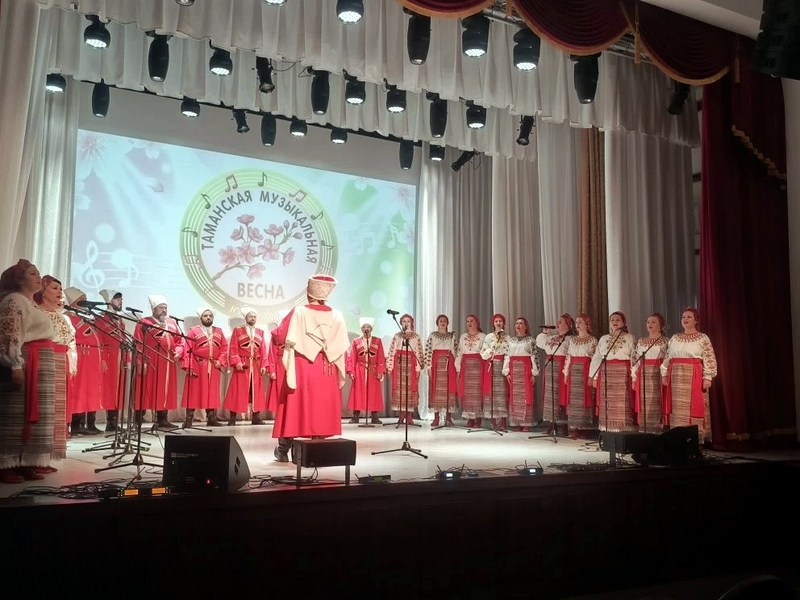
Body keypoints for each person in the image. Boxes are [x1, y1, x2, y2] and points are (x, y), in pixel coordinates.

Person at [271, 275, 350, 462]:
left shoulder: (299, 312)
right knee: (321, 407)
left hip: (303, 366)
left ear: (309, 293)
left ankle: (283, 450)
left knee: (294, 405)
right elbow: (342, 345)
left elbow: (280, 335)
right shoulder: (337, 315)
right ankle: (317, 451)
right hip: (327, 368)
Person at [0, 260, 58, 484]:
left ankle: (24, 462)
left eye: (38, 273)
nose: (38, 277)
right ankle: (5, 463)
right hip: (26, 360)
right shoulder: (14, 300)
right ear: (19, 279)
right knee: (15, 413)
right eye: (33, 273)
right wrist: (15, 364)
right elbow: (10, 334)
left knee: (33, 414)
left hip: (40, 362)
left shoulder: (30, 302)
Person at [661, 307, 717, 445]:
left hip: (694, 375)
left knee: (694, 407)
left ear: (696, 320)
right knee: (678, 409)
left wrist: (708, 377)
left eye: (689, 317)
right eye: (683, 317)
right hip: (676, 377)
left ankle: (695, 441)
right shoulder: (675, 338)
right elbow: (668, 357)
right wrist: (664, 373)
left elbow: (709, 357)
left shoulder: (702, 337)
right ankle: (678, 439)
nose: (685, 319)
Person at [34, 276, 77, 460]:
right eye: (54, 288)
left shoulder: (64, 317)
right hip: (45, 359)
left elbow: (70, 342)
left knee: (59, 407)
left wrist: (72, 362)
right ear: (43, 291)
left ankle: (52, 453)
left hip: (61, 360)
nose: (59, 292)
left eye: (60, 288)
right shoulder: (37, 312)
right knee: (44, 406)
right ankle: (38, 455)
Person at [133, 294, 183, 430]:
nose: (164, 310)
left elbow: (180, 341)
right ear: (153, 309)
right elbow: (138, 342)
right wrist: (140, 361)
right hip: (150, 360)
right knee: (146, 389)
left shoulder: (172, 323)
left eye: (165, 308)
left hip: (167, 361)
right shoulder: (144, 322)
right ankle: (138, 419)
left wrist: (179, 352)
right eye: (161, 308)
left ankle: (163, 419)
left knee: (165, 389)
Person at [63, 286, 104, 435]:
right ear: (73, 302)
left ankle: (90, 423)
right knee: (79, 390)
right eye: (82, 300)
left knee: (90, 391)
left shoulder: (86, 317)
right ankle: (77, 424)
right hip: (81, 357)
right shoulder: (68, 317)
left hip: (92, 357)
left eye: (86, 299)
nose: (85, 303)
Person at [223, 306, 274, 426]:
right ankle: (232, 417)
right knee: (237, 391)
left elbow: (263, 349)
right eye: (251, 316)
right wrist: (237, 362)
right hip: (243, 365)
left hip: (255, 366)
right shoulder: (238, 330)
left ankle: (256, 417)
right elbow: (233, 347)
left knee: (256, 392)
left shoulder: (260, 332)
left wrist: (263, 365)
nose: (253, 318)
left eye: (255, 316)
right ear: (245, 317)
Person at [181, 307, 229, 427]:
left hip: (213, 366)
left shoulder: (219, 331)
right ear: (201, 318)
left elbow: (224, 348)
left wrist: (220, 361)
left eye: (210, 316)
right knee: (193, 391)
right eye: (205, 316)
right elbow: (187, 350)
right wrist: (189, 366)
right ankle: (188, 419)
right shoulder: (193, 331)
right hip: (198, 365)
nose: (208, 318)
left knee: (212, 392)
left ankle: (211, 418)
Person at [590, 311, 636, 432]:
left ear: (623, 322)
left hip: (623, 373)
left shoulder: (629, 338)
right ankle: (608, 428)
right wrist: (594, 376)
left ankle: (622, 428)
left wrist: (634, 376)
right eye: (612, 320)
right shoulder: (604, 338)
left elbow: (634, 357)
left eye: (618, 320)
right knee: (607, 401)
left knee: (622, 401)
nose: (615, 322)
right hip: (606, 373)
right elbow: (597, 357)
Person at [95, 289, 128, 431]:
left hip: (119, 356)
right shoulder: (100, 318)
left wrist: (126, 357)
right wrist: (102, 358)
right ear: (109, 301)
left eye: (121, 299)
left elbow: (124, 339)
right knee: (108, 389)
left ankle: (113, 421)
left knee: (118, 389)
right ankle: (106, 421)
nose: (121, 302)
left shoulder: (120, 320)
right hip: (108, 357)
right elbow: (99, 339)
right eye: (117, 299)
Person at [536, 314, 575, 434]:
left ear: (568, 325)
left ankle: (564, 425)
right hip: (550, 366)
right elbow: (540, 343)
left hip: (562, 367)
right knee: (550, 395)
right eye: (557, 322)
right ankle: (551, 424)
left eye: (561, 322)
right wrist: (545, 332)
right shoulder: (552, 337)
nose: (557, 324)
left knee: (561, 394)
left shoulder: (571, 339)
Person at [631, 313, 669, 433]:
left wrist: (665, 374)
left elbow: (668, 359)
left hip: (658, 372)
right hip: (643, 374)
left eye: (653, 322)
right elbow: (635, 360)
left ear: (660, 325)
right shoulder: (641, 341)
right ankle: (645, 429)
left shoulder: (665, 341)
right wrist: (634, 378)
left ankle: (658, 429)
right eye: (648, 322)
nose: (650, 324)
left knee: (657, 400)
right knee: (644, 400)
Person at [562, 314, 597, 438]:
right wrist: (566, 373)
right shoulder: (572, 340)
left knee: (585, 398)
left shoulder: (592, 340)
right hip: (574, 371)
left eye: (580, 322)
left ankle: (586, 428)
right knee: (574, 399)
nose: (577, 324)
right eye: (576, 322)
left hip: (586, 370)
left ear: (587, 324)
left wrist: (593, 376)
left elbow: (595, 359)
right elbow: (568, 357)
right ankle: (575, 427)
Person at [385, 313, 425, 425]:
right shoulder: (397, 336)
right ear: (401, 323)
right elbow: (392, 351)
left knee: (410, 390)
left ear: (411, 323)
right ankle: (401, 415)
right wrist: (390, 367)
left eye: (408, 321)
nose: (406, 323)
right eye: (403, 321)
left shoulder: (416, 337)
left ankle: (409, 416)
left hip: (411, 365)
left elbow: (419, 353)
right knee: (400, 390)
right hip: (399, 364)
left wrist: (418, 369)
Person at [345, 317, 385, 425]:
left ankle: (374, 416)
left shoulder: (377, 341)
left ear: (371, 329)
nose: (366, 329)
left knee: (374, 392)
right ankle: (356, 415)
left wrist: (380, 370)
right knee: (357, 392)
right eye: (364, 327)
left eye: (368, 327)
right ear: (361, 329)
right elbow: (352, 357)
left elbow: (381, 357)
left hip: (373, 369)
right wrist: (351, 371)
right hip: (360, 369)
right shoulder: (356, 341)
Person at [502, 317, 539, 432]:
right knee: (515, 397)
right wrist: (506, 372)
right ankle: (517, 422)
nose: (518, 325)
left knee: (526, 396)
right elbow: (507, 356)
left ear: (526, 326)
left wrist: (534, 373)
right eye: (517, 323)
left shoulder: (530, 340)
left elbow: (535, 357)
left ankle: (526, 422)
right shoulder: (511, 340)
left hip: (526, 369)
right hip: (514, 370)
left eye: (521, 323)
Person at [424, 314, 457, 427]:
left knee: (449, 389)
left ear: (447, 323)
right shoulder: (433, 335)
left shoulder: (451, 336)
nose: (443, 322)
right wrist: (429, 366)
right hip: (436, 363)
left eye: (444, 321)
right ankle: (436, 417)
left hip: (449, 363)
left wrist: (456, 367)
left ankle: (448, 417)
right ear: (437, 323)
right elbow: (428, 351)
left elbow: (455, 351)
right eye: (440, 321)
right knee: (436, 390)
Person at [479, 313, 510, 430]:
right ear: (493, 323)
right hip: (491, 365)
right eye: (496, 321)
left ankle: (503, 421)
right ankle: (493, 421)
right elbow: (482, 352)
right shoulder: (488, 337)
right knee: (491, 393)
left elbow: (509, 353)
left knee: (501, 393)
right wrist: (489, 352)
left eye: (500, 321)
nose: (498, 323)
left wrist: (506, 369)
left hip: (502, 366)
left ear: (503, 323)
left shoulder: (507, 338)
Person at [455, 314, 485, 428]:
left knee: (477, 392)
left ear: (477, 322)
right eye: (467, 321)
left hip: (478, 365)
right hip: (466, 366)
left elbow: (484, 352)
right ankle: (469, 418)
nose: (469, 323)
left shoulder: (483, 336)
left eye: (471, 321)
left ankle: (478, 418)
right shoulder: (463, 337)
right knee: (467, 393)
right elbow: (459, 353)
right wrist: (458, 368)